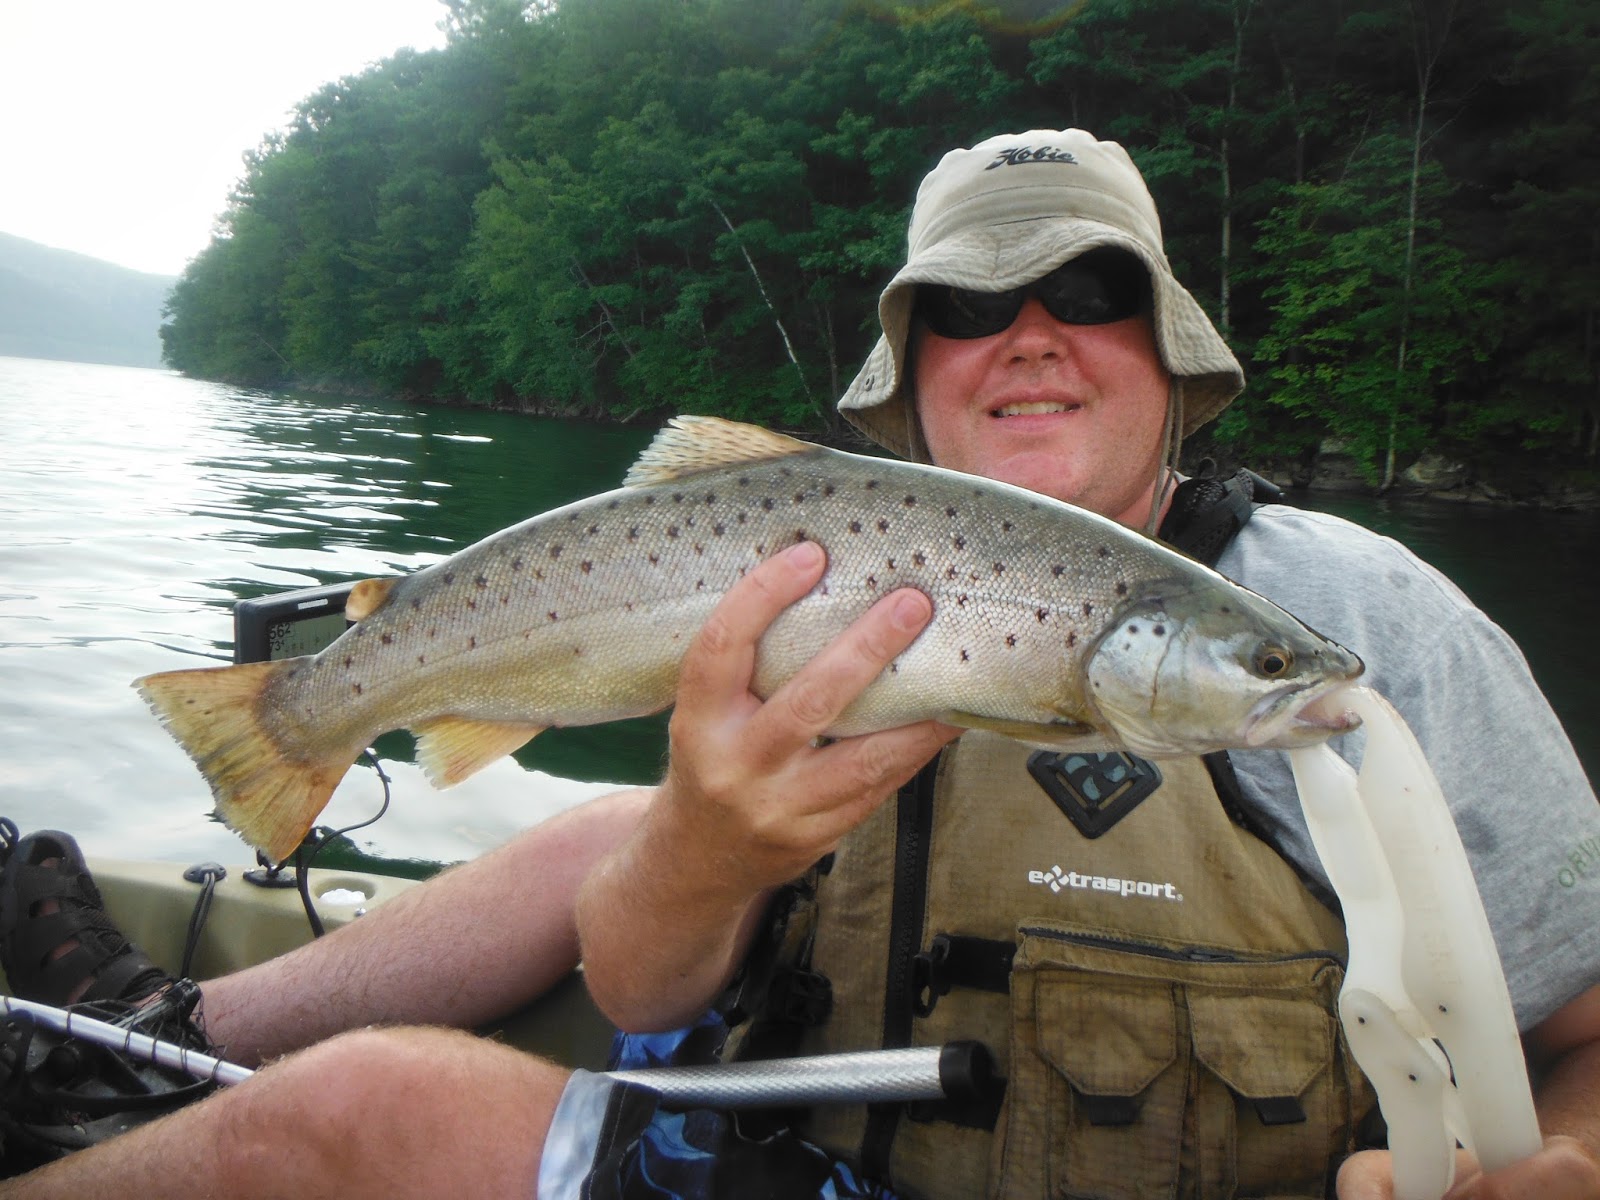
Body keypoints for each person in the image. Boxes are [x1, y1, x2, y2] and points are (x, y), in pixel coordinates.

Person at [2, 128, 1596, 1199]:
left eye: (1092, 289)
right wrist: (702, 842)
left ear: (1170, 353)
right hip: (785, 1160)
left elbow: (1582, 1031)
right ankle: (153, 1044)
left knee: (379, 1106)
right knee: (569, 876)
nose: (1032, 330)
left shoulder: (1374, 625)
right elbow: (638, 989)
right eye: (974, 300)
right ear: (908, 375)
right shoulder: (795, 571)